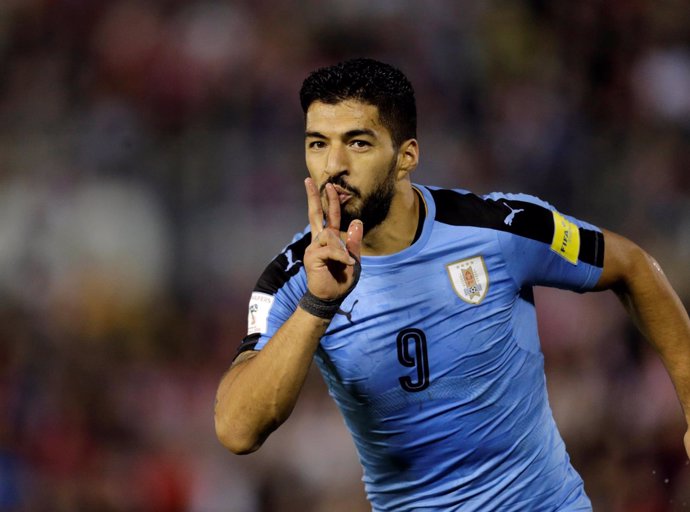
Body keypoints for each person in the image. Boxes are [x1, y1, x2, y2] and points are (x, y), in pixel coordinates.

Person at [214, 58, 690, 511]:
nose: (332, 165)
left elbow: (632, 265)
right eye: (317, 143)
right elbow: (237, 431)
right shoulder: (293, 280)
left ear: (406, 156)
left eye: (357, 143)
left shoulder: (500, 230)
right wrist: (319, 304)